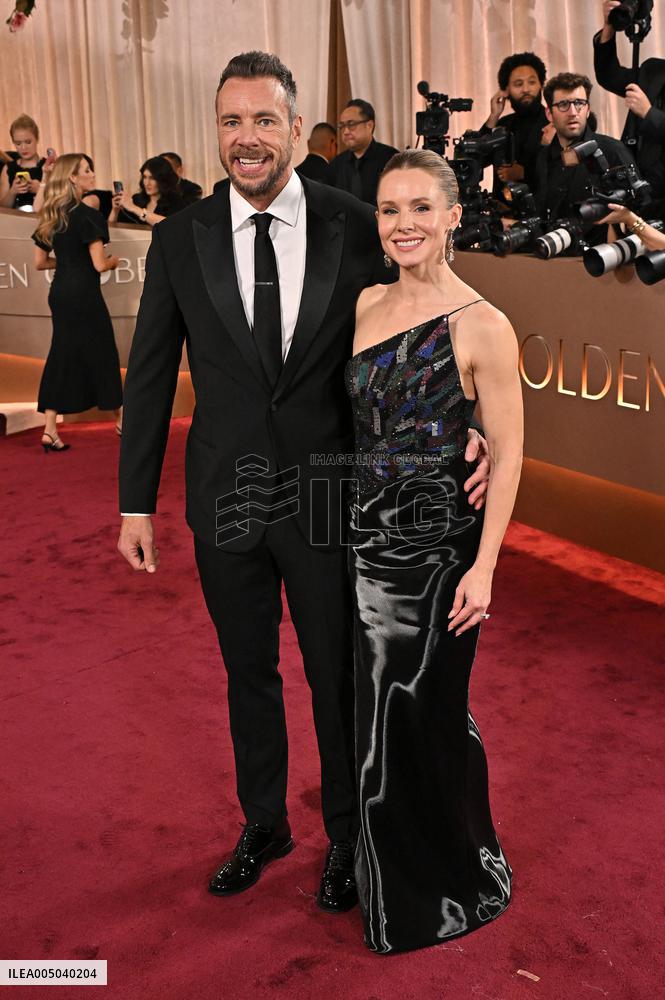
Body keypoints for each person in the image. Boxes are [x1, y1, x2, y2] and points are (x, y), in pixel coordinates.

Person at [117, 51, 491, 915]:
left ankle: (344, 836)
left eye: (262, 120)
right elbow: (147, 375)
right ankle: (262, 823)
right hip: (225, 493)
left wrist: (460, 419)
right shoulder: (181, 236)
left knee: (336, 676)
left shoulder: (356, 223)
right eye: (229, 122)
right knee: (246, 670)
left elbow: (421, 318)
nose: (245, 139)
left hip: (329, 493)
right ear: (216, 132)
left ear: (294, 127)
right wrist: (135, 500)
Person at [348, 148, 523, 953]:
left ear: (454, 216)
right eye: (389, 210)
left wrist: (484, 566)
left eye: (421, 208)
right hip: (359, 538)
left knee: (408, 707)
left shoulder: (483, 324)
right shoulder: (363, 302)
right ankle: (402, 862)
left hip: (437, 553)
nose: (404, 224)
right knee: (397, 714)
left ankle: (427, 892)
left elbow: (511, 454)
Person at [32, 154, 123, 451]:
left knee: (62, 354)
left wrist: (71, 260)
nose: (91, 174)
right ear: (72, 177)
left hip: (60, 293)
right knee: (102, 351)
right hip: (84, 293)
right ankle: (122, 420)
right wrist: (113, 262)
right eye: (86, 170)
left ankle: (49, 429)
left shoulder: (52, 215)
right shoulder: (88, 216)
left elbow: (40, 263)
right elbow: (98, 265)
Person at [535, 72, 639, 243]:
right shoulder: (543, 157)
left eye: (579, 103)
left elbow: (638, 211)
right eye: (563, 104)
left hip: (602, 259)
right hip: (552, 254)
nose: (573, 112)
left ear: (588, 109)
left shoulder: (612, 151)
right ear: (549, 113)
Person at [594, 0, 665, 218]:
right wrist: (608, 29)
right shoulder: (653, 70)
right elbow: (609, 76)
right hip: (636, 185)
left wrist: (648, 113)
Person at [482, 51, 550, 195]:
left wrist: (525, 173)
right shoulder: (503, 124)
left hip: (542, 211)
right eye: (518, 84)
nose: (526, 89)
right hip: (503, 211)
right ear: (506, 90)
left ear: (541, 85)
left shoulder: (553, 123)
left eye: (532, 82)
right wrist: (493, 116)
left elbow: (562, 167)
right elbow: (478, 161)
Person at [329, 99, 398, 205]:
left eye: (351, 124)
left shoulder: (391, 159)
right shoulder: (337, 164)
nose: (346, 132)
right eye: (342, 126)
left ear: (369, 125)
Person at [110, 155, 185, 226]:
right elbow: (111, 229)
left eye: (152, 178)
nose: (147, 183)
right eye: (144, 177)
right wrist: (115, 210)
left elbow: (170, 225)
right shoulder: (136, 199)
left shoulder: (176, 201)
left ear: (163, 180)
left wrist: (134, 208)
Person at [0, 114, 46, 210]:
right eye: (18, 143)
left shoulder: (48, 167)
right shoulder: (8, 169)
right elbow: (2, 210)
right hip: (15, 221)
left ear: (37, 139)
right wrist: (12, 192)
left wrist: (41, 189)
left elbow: (61, 205)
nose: (23, 148)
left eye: (28, 142)